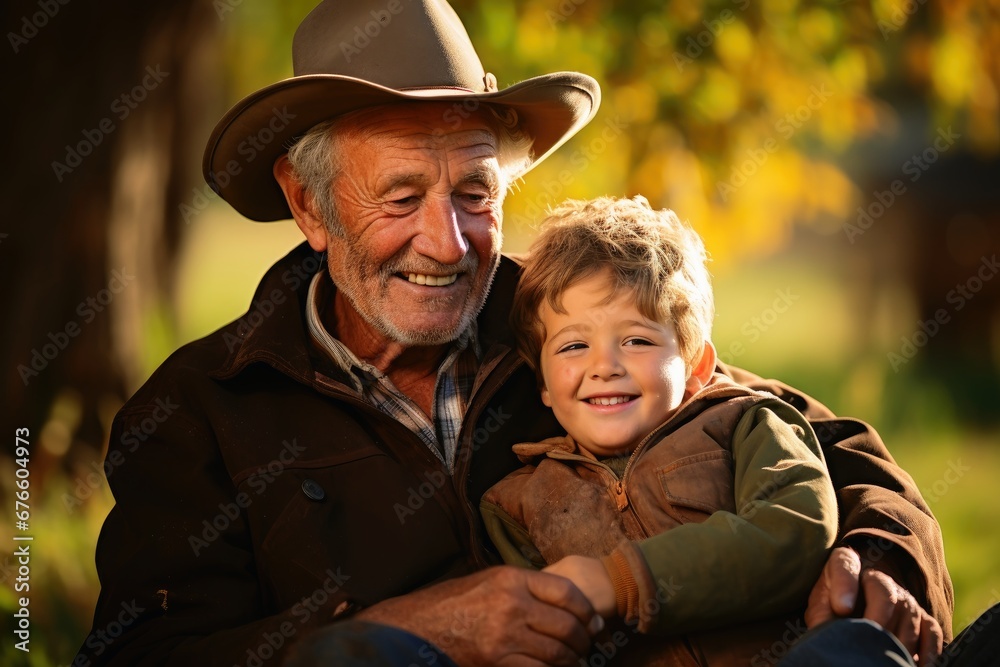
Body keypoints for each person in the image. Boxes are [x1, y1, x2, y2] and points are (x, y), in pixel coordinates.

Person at [77, 0, 959, 665]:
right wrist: (392, 631)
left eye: (474, 192)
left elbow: (820, 439)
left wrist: (877, 557)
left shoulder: (568, 315)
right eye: (400, 196)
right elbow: (145, 652)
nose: (448, 242)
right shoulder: (203, 408)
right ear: (308, 205)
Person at [479, 195, 838, 664]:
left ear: (696, 365)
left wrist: (622, 581)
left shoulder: (742, 424)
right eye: (573, 346)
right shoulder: (516, 504)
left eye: (636, 340)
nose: (604, 366)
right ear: (543, 383)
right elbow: (533, 628)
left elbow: (797, 528)